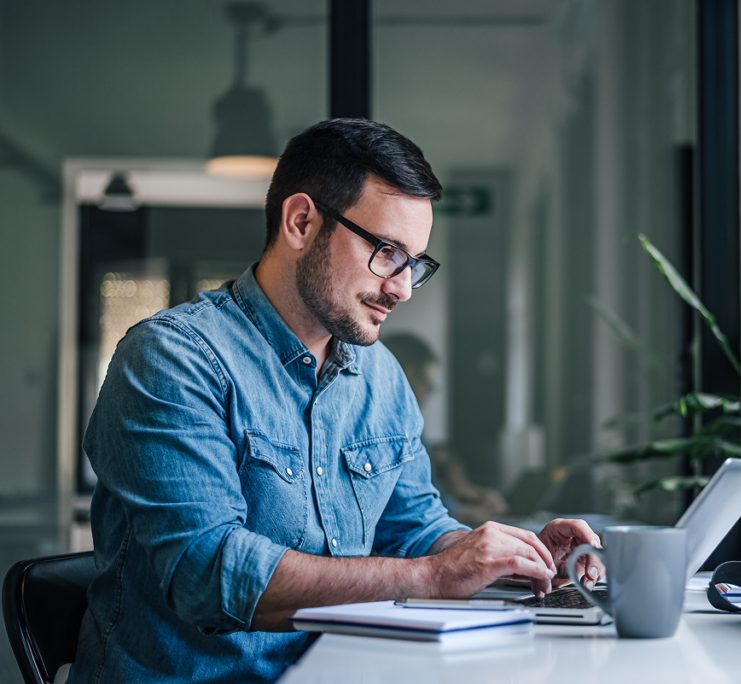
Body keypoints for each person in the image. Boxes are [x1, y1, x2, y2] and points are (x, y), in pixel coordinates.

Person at [68, 119, 603, 684]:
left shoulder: (382, 376)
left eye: (414, 263)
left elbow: (415, 530)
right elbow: (208, 574)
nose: (400, 287)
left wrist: (514, 562)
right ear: (301, 222)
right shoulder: (173, 359)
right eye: (388, 251)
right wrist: (433, 576)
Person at [382, 333, 509, 523]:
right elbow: (420, 508)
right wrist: (479, 516)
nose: (426, 396)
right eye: (427, 385)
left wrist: (464, 491)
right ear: (407, 376)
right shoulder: (401, 425)